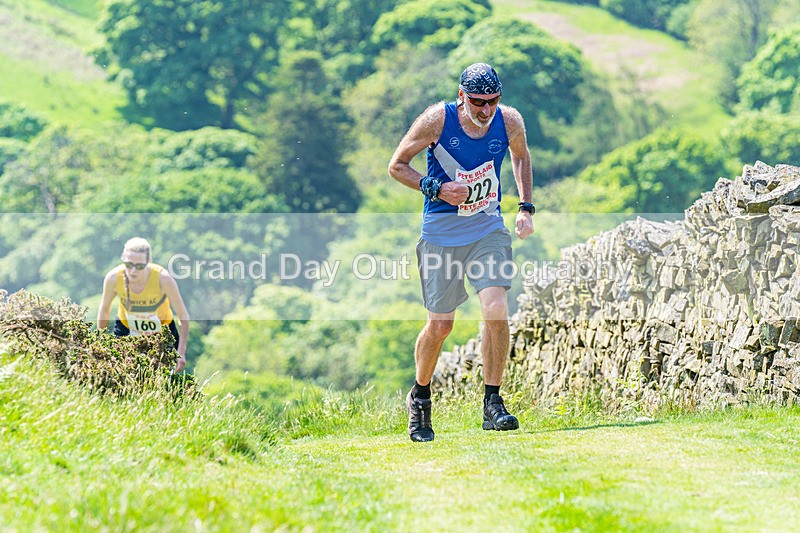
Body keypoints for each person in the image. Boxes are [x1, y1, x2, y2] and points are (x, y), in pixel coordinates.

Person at [388, 62, 535, 442]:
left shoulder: (510, 121)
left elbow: (520, 156)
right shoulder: (437, 120)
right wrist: (435, 188)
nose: (485, 110)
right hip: (441, 233)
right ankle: (420, 398)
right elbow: (397, 166)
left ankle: (493, 403)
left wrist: (525, 207)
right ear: (461, 96)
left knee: (496, 308)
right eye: (477, 102)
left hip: (487, 228)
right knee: (441, 325)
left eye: (493, 101)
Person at [97, 237, 190, 372]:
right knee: (120, 374)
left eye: (139, 266)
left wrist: (181, 352)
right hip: (126, 328)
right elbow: (104, 310)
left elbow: (183, 317)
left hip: (162, 332)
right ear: (123, 259)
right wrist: (100, 344)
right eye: (129, 265)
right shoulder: (113, 278)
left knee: (160, 378)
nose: (133, 271)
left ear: (148, 262)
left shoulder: (163, 279)